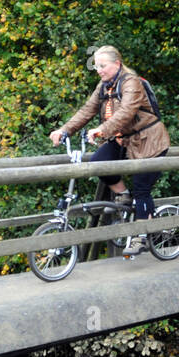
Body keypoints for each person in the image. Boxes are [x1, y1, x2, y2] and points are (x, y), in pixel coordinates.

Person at [51, 46, 170, 256]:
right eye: (96, 66)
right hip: (124, 140)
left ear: (116, 64)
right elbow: (87, 110)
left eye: (102, 66)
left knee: (142, 189)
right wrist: (64, 130)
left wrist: (102, 129)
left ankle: (141, 236)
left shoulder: (131, 82)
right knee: (99, 162)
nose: (98, 70)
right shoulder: (104, 86)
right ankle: (123, 196)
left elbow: (126, 112)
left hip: (149, 142)